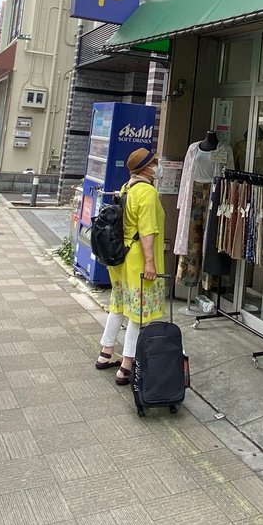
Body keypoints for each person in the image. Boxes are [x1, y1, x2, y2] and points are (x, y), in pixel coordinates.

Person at [96, 147, 166, 385]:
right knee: (138, 312)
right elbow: (147, 231)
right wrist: (150, 262)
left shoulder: (128, 187)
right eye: (155, 162)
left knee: (118, 305)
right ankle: (127, 365)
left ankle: (105, 353)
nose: (158, 166)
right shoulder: (146, 192)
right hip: (137, 258)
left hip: (119, 257)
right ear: (146, 168)